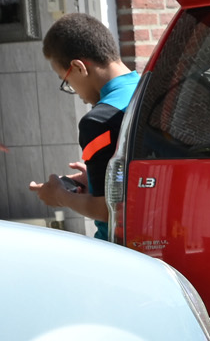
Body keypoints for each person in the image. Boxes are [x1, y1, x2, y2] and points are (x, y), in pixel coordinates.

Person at [30, 13, 138, 239]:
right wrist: (98, 176)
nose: (75, 93)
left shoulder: (99, 120)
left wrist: (60, 196)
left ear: (79, 67)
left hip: (122, 250)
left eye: (66, 81)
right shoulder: (153, 89)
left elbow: (108, 210)